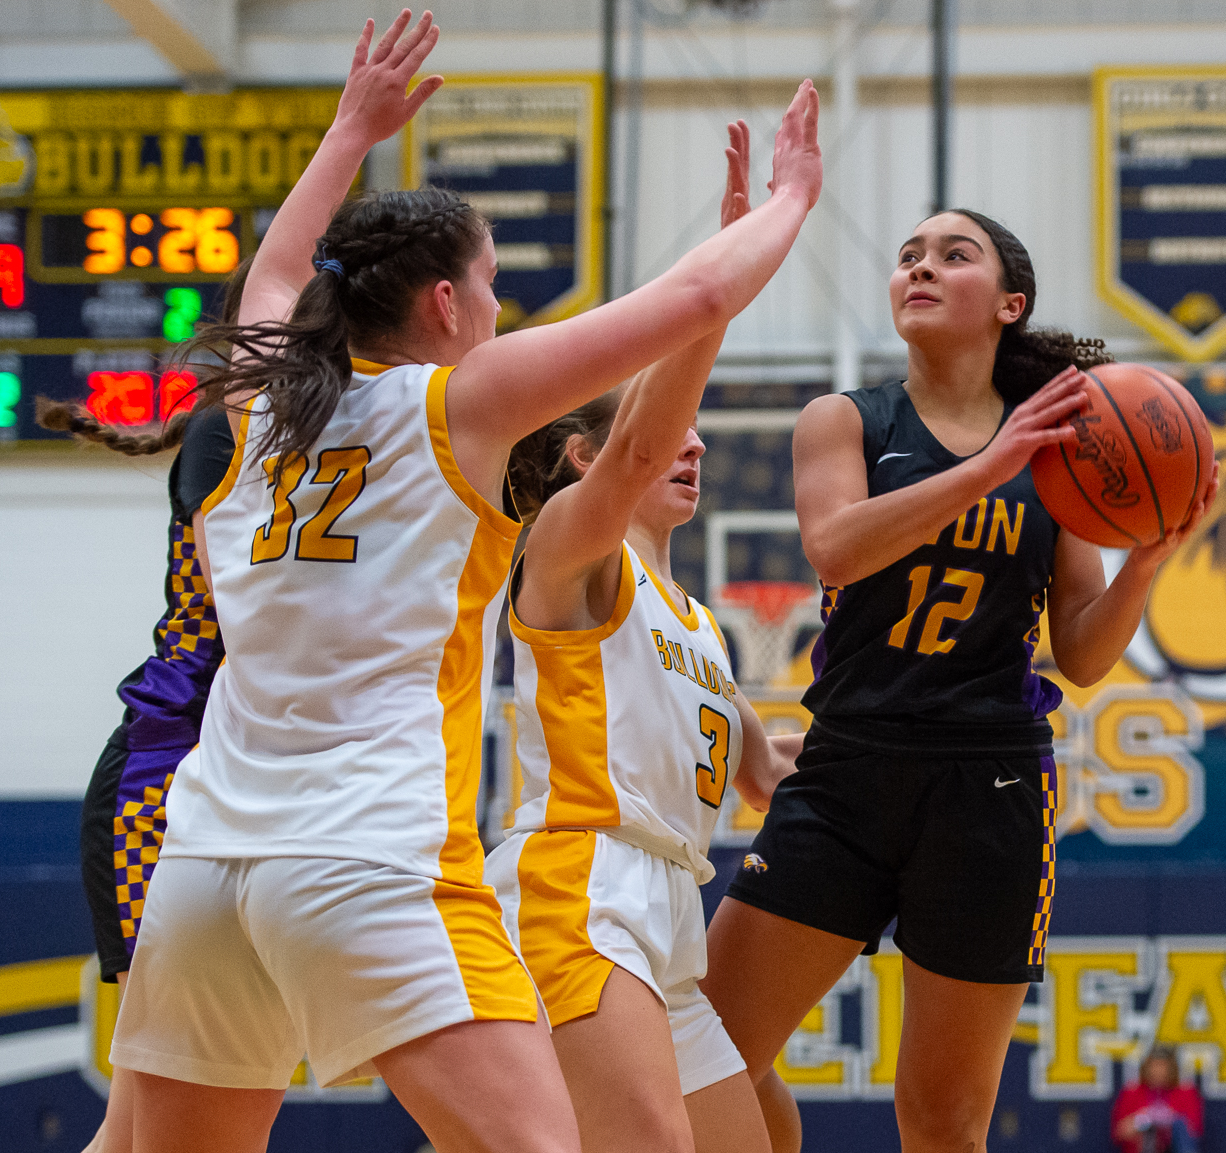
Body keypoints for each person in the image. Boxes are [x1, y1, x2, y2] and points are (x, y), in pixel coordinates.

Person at [104, 7, 826, 1151]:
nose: (494, 309)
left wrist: (349, 131)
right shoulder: (461, 406)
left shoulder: (261, 409)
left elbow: (277, 269)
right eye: (487, 284)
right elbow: (692, 301)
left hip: (204, 865)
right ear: (445, 304)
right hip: (368, 854)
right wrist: (790, 202)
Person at [699, 208, 1218, 1153]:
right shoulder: (847, 420)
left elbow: (1082, 655)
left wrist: (1145, 561)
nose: (920, 267)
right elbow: (835, 548)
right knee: (708, 1053)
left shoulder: (1061, 457)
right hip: (847, 768)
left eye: (952, 254)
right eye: (908, 256)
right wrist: (994, 463)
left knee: (942, 1121)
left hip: (991, 784)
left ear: (1008, 304)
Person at [485, 120, 801, 1153]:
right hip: (581, 882)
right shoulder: (569, 552)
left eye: (693, 429)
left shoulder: (700, 625)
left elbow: (765, 776)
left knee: (759, 1143)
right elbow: (636, 451)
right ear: (586, 453)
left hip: (670, 906)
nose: (692, 441)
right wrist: (723, 279)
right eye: (672, 426)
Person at [37, 257, 248, 1153]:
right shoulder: (225, 430)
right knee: (146, 1117)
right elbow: (247, 601)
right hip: (164, 777)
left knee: (151, 1121)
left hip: (245, 780)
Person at [1111, 1046, 1203, 1153]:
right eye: (1154, 1065)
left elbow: (1194, 1131)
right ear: (1146, 1067)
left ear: (1172, 1068)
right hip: (1141, 1148)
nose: (1158, 1071)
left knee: (1178, 1124)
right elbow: (1119, 1134)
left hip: (1175, 1147)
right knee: (1149, 1128)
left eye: (1163, 1066)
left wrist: (1168, 1119)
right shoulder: (1132, 1092)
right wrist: (1143, 1119)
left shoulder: (1186, 1092)